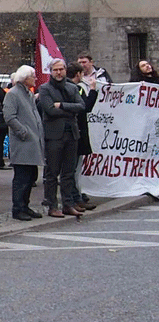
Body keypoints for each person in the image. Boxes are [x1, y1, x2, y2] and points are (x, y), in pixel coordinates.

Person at [37, 58, 85, 218]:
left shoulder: (72, 88)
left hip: (71, 134)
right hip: (54, 135)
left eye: (61, 69)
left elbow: (81, 106)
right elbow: (50, 110)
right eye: (55, 70)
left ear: (65, 70)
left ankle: (68, 203)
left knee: (69, 172)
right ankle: (51, 205)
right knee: (52, 173)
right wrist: (69, 110)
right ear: (51, 72)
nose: (58, 72)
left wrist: (62, 105)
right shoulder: (45, 89)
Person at [3, 65, 44, 221]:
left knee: (31, 175)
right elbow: (10, 117)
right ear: (25, 78)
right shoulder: (13, 94)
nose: (35, 78)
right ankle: (18, 208)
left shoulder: (28, 94)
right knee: (22, 177)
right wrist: (23, 132)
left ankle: (25, 206)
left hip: (32, 141)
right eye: (32, 76)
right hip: (23, 142)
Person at [66, 63, 98, 212]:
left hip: (72, 133)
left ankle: (75, 197)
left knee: (72, 170)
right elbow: (85, 107)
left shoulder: (66, 87)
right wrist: (92, 90)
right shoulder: (76, 89)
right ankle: (76, 198)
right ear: (78, 74)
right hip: (76, 133)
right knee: (74, 170)